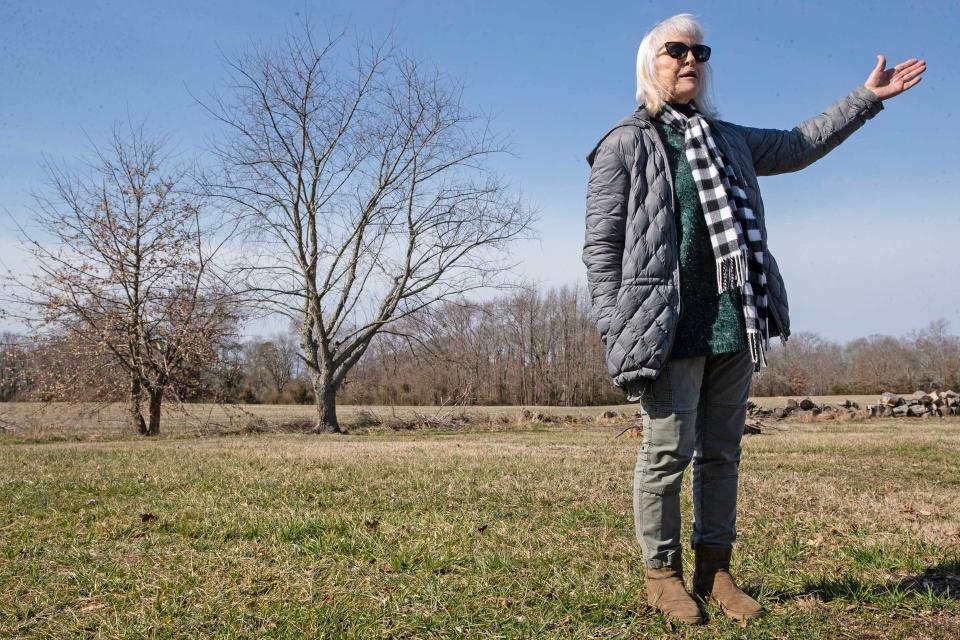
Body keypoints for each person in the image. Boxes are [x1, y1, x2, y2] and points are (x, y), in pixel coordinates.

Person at [582, 13, 925, 626]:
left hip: (736, 318)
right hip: (665, 326)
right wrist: (616, 324)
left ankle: (716, 571)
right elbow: (602, 248)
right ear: (650, 63)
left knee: (722, 453)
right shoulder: (625, 143)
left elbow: (798, 143)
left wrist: (865, 99)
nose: (689, 59)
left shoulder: (730, 138)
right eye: (675, 50)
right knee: (665, 453)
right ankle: (661, 577)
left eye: (699, 50)